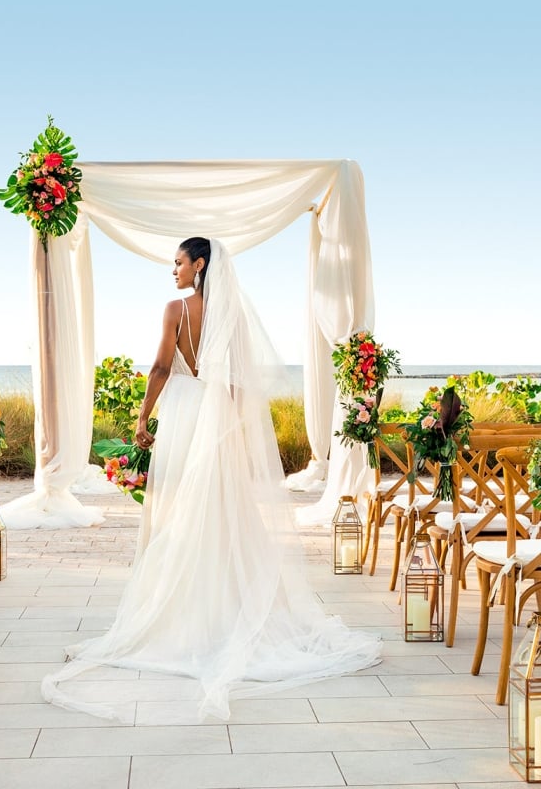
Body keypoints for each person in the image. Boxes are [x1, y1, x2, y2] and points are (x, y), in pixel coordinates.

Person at [42, 237, 381, 722]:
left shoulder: (177, 309)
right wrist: (237, 432)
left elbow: (161, 366)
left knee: (178, 512)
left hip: (183, 414)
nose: (173, 270)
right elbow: (242, 383)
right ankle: (225, 604)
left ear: (199, 264)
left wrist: (142, 418)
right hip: (217, 418)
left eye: (178, 262)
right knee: (223, 512)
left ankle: (184, 611)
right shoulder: (232, 315)